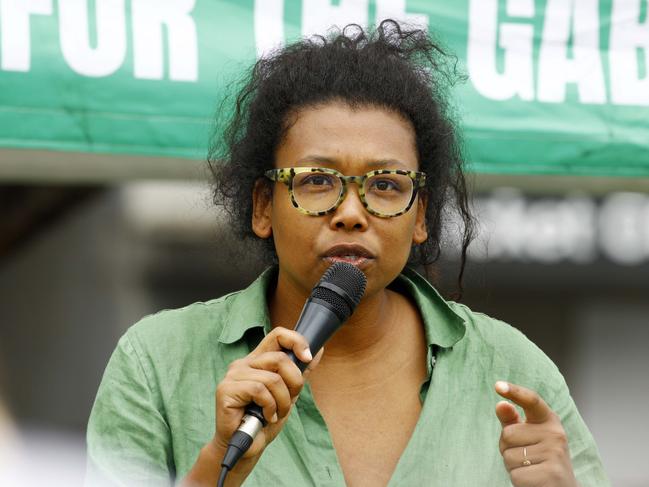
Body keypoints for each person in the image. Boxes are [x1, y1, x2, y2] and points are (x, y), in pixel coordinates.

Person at [86, 21, 610, 486]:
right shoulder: (157, 363)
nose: (352, 213)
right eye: (316, 181)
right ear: (263, 205)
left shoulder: (513, 370)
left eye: (385, 184)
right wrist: (218, 461)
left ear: (421, 215)